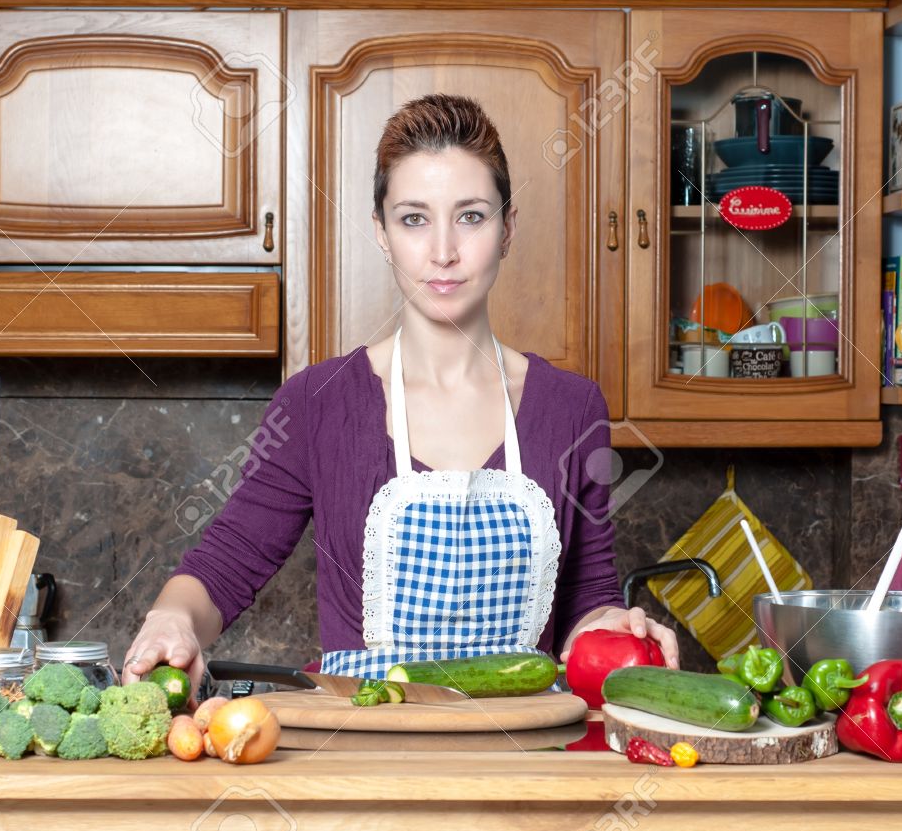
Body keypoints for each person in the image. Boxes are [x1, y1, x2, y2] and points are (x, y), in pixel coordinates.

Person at [123, 93, 679, 701]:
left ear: (508, 228)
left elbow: (583, 596)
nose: (443, 251)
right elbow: (226, 564)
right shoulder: (317, 404)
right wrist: (172, 618)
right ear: (381, 233)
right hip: (362, 753)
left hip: (525, 757)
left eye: (471, 216)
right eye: (414, 218)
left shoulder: (572, 407)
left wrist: (611, 627)